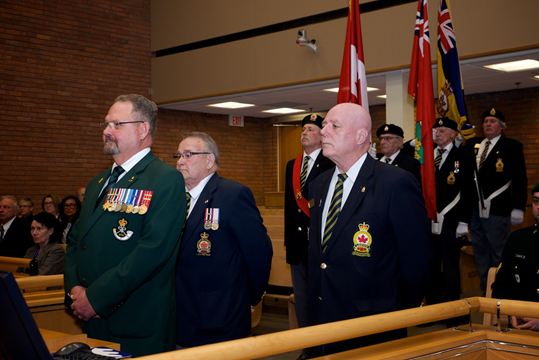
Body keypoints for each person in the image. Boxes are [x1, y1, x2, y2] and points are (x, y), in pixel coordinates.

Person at [64, 94, 186, 356]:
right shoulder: (98, 183)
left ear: (143, 129)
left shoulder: (165, 179)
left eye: (117, 125)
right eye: (106, 124)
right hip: (94, 318)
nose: (107, 131)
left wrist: (95, 298)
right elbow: (76, 242)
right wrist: (75, 289)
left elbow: (152, 251)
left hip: (135, 319)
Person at [306, 103, 431, 356]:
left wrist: (394, 313)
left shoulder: (395, 183)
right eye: (324, 125)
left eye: (334, 126)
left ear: (361, 136)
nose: (324, 131)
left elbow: (415, 258)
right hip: (321, 318)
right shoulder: (319, 184)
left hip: (372, 325)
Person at [174, 131, 272, 347]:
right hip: (179, 313)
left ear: (210, 160)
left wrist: (251, 297)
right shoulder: (174, 197)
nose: (180, 162)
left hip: (219, 313)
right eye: (178, 155)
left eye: (188, 155)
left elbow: (258, 252)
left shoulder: (233, 194)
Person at [462, 107, 528, 292]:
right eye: (485, 122)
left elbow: (520, 178)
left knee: (499, 254)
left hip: (499, 209)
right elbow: (465, 176)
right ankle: (486, 293)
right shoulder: (475, 146)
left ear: (502, 126)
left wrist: (518, 207)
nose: (488, 125)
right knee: (481, 255)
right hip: (476, 211)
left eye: (492, 121)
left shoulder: (511, 146)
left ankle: (502, 295)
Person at [284, 114, 334, 327]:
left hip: (320, 242)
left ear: (322, 136)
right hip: (297, 244)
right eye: (303, 129)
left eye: (311, 129)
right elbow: (289, 205)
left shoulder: (331, 163)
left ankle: (322, 345)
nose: (305, 132)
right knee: (302, 298)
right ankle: (306, 346)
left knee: (321, 296)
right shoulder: (291, 165)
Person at [426, 117, 469, 306]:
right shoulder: (426, 156)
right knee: (431, 263)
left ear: (453, 134)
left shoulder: (462, 156)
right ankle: (433, 306)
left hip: (451, 218)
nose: (437, 133)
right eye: (435, 130)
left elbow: (467, 190)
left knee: (450, 264)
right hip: (429, 218)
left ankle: (453, 308)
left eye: (442, 131)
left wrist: (464, 221)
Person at [492, 183, 539, 331]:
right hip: (516, 326)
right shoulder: (518, 239)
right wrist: (509, 312)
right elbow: (500, 285)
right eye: (536, 201)